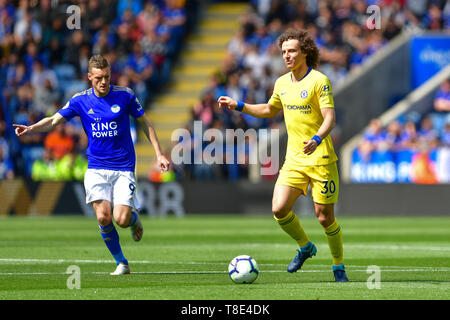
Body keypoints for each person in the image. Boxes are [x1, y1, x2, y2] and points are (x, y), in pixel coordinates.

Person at [13, 55, 170, 275]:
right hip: (96, 168)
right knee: (103, 216)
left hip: (123, 168)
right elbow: (54, 121)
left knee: (121, 219)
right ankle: (121, 263)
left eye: (107, 77)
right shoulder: (80, 100)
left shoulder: (125, 96)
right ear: (89, 77)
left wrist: (159, 154)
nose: (104, 82)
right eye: (98, 78)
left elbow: (145, 122)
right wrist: (30, 129)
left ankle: (134, 221)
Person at [218, 28, 348, 282]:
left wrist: (316, 138)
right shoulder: (282, 83)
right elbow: (269, 109)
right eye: (284, 52)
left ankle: (338, 266)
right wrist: (239, 105)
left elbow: (330, 118)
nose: (287, 56)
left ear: (305, 53)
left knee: (324, 217)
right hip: (295, 159)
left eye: (292, 51)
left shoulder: (319, 81)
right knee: (279, 208)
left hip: (320, 157)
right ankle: (305, 246)